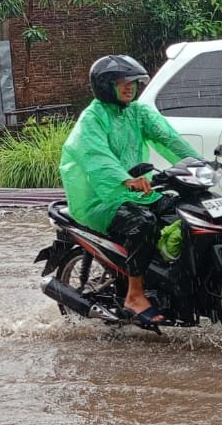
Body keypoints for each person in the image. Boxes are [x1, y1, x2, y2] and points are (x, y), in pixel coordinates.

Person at [59, 54, 201, 324]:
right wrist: (125, 179)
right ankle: (134, 295)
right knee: (143, 224)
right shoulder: (92, 118)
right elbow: (96, 156)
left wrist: (198, 165)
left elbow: (169, 138)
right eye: (122, 82)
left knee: (183, 213)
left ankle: (170, 282)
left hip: (139, 192)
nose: (129, 87)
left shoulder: (138, 112)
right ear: (105, 86)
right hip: (101, 199)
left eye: (133, 82)